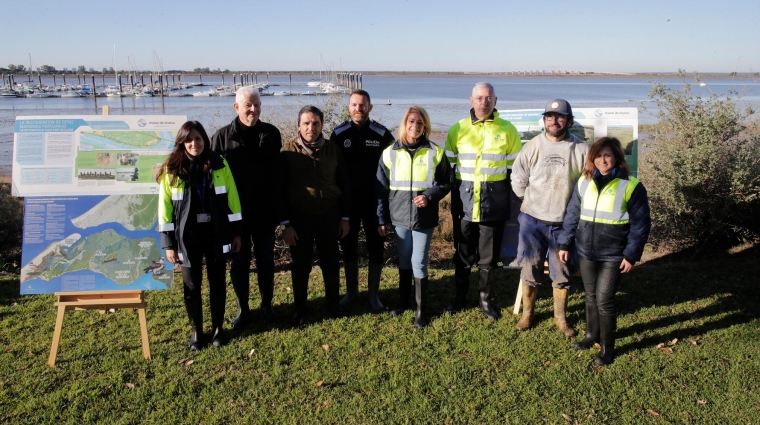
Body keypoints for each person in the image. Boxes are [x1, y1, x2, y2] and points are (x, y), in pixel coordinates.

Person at [558, 137, 651, 365]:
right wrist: (564, 243)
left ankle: (608, 349)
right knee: (590, 296)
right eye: (598, 156)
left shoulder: (631, 185)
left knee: (604, 300)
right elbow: (572, 214)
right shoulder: (584, 181)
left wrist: (631, 255)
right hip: (586, 251)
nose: (602, 160)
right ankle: (591, 335)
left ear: (617, 157)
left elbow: (641, 224)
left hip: (614, 253)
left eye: (607, 155)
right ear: (592, 158)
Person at [158, 121, 242, 349]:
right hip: (187, 237)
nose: (194, 143)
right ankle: (197, 332)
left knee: (218, 283)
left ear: (205, 139)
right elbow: (164, 209)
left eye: (198, 138)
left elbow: (233, 201)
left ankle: (217, 329)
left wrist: (236, 234)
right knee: (192, 285)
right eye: (189, 139)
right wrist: (168, 244)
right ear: (182, 142)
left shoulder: (220, 164)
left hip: (217, 234)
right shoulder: (171, 169)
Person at [444, 82, 522, 320]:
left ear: (495, 101)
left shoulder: (507, 129)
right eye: (480, 98)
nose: (484, 102)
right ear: (471, 100)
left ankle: (485, 301)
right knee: (463, 254)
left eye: (489, 98)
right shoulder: (457, 128)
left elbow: (515, 170)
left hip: (493, 203)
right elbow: (449, 167)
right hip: (464, 202)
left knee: (488, 258)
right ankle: (459, 298)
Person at [511, 99, 588, 337]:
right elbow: (518, 179)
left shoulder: (582, 150)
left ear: (570, 121)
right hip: (532, 221)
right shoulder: (532, 146)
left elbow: (588, 184)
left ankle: (560, 319)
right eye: (550, 116)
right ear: (544, 120)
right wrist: (533, 203)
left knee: (562, 272)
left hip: (564, 225)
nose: (555, 121)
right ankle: (527, 315)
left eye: (560, 116)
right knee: (529, 268)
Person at [211, 86, 282, 328]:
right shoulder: (221, 139)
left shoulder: (272, 134)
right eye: (249, 105)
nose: (254, 109)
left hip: (264, 214)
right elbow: (213, 181)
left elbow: (277, 176)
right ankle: (243, 308)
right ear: (237, 107)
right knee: (239, 263)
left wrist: (279, 213)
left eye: (258, 104)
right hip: (235, 217)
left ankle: (267, 305)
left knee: (265, 261)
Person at [376, 106, 452, 328]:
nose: (415, 126)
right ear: (404, 123)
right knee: (404, 260)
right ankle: (402, 302)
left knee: (419, 262)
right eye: (411, 121)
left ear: (425, 126)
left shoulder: (435, 152)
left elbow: (446, 182)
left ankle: (421, 311)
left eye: (420, 123)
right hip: (398, 217)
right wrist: (381, 219)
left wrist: (429, 195)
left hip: (423, 219)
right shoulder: (389, 152)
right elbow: (380, 189)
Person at [276, 106, 351, 325]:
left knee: (331, 262)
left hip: (329, 215)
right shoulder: (287, 152)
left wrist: (345, 217)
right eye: (306, 123)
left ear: (322, 125)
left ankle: (333, 305)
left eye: (316, 123)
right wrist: (285, 225)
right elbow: (278, 191)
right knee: (301, 265)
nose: (311, 127)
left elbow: (344, 184)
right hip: (299, 219)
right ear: (299, 125)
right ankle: (300, 308)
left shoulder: (333, 149)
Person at [331, 90, 395, 312]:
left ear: (370, 107)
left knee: (375, 247)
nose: (358, 109)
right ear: (349, 108)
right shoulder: (339, 134)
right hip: (347, 203)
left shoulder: (382, 134)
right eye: (354, 105)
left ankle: (374, 295)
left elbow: (393, 169)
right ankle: (351, 293)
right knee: (347, 246)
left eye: (363, 105)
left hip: (374, 202)